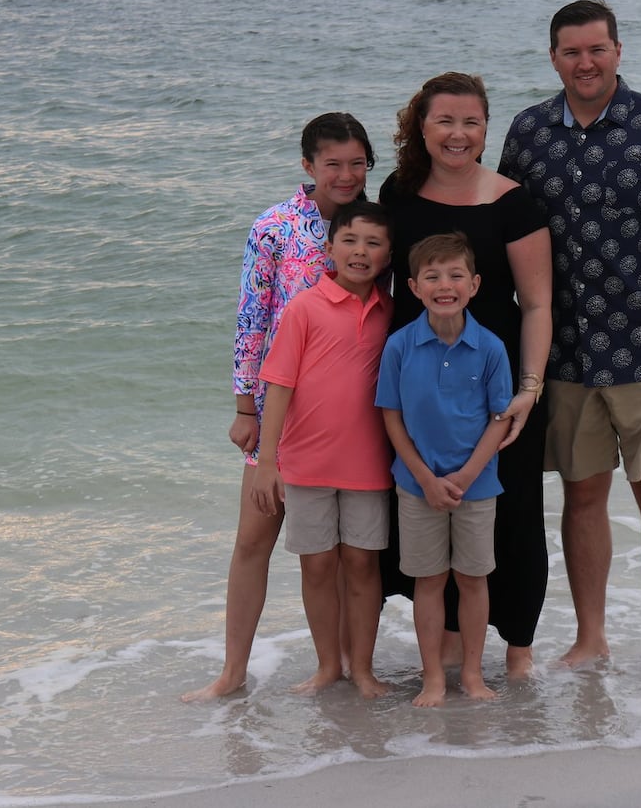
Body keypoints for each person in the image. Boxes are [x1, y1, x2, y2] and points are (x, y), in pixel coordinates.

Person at [497, 0, 641, 675]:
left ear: (618, 51)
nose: (585, 63)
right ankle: (591, 636)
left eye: (597, 49)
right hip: (563, 356)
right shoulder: (529, 132)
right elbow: (502, 230)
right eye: (571, 52)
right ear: (553, 58)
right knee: (582, 495)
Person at [182, 113, 375, 702]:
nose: (345, 175)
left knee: (345, 553)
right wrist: (245, 408)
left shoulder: (376, 226)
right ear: (308, 167)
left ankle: (342, 664)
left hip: (356, 417)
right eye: (332, 164)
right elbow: (250, 319)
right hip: (280, 417)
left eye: (356, 163)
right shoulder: (275, 227)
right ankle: (232, 671)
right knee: (253, 540)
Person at [378, 71, 552, 679]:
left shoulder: (515, 201)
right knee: (423, 508)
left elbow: (536, 304)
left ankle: (520, 647)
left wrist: (530, 390)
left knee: (514, 513)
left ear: (486, 128)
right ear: (420, 127)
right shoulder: (396, 194)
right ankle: (448, 640)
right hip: (417, 383)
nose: (458, 134)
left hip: (499, 386)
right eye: (444, 121)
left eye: (471, 122)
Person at [250, 201, 395, 697]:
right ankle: (327, 664)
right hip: (306, 462)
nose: (360, 252)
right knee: (316, 564)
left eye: (374, 243)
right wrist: (268, 461)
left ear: (389, 254)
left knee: (361, 564)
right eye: (350, 241)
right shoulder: (304, 307)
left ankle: (364, 668)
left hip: (369, 464)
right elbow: (278, 385)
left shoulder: (390, 312)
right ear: (329, 249)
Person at [377, 233, 512, 707]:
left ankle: (472, 675)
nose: (444, 285)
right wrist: (426, 477)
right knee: (428, 581)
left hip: (477, 485)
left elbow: (500, 419)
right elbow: (391, 417)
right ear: (413, 287)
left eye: (455, 275)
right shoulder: (399, 346)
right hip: (417, 486)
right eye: (432, 276)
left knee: (474, 580)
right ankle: (432, 676)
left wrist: (468, 474)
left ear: (474, 285)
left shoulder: (491, 347)